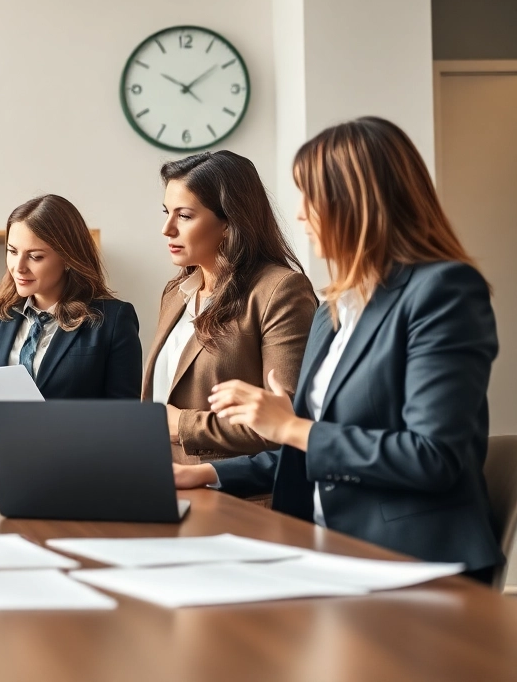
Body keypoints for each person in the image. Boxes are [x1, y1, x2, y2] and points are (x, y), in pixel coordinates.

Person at [177, 117, 503, 580]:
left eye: (311, 197)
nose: (300, 214)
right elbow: (316, 447)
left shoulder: (444, 290)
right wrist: (209, 474)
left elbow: (432, 457)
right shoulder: (335, 307)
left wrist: (290, 427)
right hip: (325, 549)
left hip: (413, 563)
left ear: (358, 202)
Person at [0, 195, 141, 466]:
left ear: (68, 258)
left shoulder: (113, 319)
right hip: (1, 478)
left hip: (79, 478)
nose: (18, 267)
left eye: (35, 256)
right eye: (12, 251)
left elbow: (123, 423)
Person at [144, 151, 317, 466]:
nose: (167, 228)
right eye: (166, 212)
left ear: (228, 222)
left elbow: (286, 419)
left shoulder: (280, 291)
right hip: (162, 482)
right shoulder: (175, 293)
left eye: (184, 215)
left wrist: (181, 425)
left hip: (237, 496)